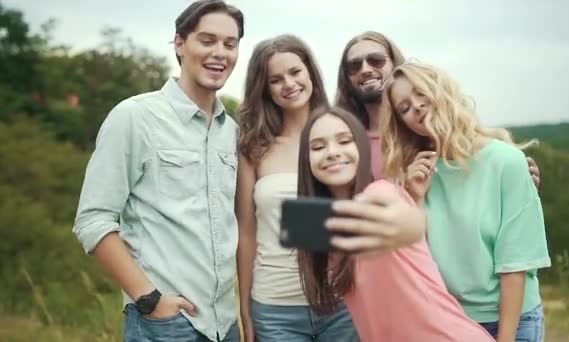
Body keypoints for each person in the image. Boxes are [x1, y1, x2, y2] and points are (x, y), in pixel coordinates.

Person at [72, 1, 244, 341]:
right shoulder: (135, 117)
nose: (220, 53)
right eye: (207, 40)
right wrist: (150, 299)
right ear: (180, 44)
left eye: (230, 43)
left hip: (225, 325)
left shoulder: (233, 133)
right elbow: (92, 219)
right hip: (166, 325)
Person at [382, 62, 551, 341]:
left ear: (441, 90)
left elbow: (515, 266)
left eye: (421, 92)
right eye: (404, 107)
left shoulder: (506, 162)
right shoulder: (417, 174)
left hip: (513, 321)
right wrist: (416, 198)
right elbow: (419, 262)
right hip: (451, 320)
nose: (417, 106)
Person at [296, 106, 495, 342]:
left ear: (361, 147)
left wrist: (411, 224)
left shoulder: (381, 192)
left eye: (344, 141)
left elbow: (410, 222)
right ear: (306, 160)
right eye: (318, 147)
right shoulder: (320, 230)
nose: (332, 153)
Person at [235, 34, 359, 342]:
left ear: (310, 73)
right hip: (275, 308)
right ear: (264, 88)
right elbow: (246, 229)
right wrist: (245, 308)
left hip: (341, 305)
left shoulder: (342, 134)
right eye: (275, 79)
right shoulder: (255, 146)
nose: (288, 84)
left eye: (295, 72)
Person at [334, 31, 541, 186]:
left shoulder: (429, 129)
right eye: (354, 66)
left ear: (395, 63)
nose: (366, 69)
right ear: (346, 77)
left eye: (376, 60)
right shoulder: (343, 142)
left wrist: (512, 179)